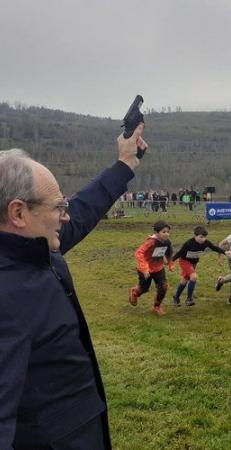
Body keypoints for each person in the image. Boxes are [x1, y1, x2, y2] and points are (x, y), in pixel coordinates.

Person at [0, 124, 146, 449]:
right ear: (19, 213)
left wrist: (125, 164)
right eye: (57, 208)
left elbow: (82, 211)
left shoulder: (35, 248)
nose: (65, 217)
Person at [171, 225, 229, 306]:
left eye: (204, 237)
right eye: (201, 237)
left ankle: (176, 297)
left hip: (193, 263)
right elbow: (180, 253)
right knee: (194, 277)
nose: (203, 239)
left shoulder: (205, 242)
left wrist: (225, 252)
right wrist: (171, 261)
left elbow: (214, 248)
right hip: (184, 261)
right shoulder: (188, 243)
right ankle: (189, 299)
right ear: (195, 236)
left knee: (185, 280)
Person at [129, 220, 175, 315]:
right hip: (146, 270)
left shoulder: (167, 242)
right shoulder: (151, 242)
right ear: (157, 232)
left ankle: (156, 307)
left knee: (163, 287)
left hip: (159, 269)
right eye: (164, 232)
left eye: (168, 232)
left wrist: (170, 264)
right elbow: (139, 253)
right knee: (144, 289)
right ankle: (134, 292)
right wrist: (144, 268)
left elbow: (169, 253)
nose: (167, 234)